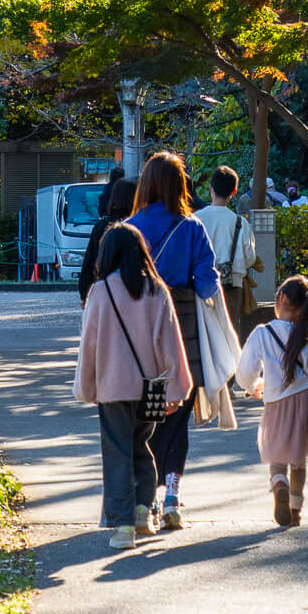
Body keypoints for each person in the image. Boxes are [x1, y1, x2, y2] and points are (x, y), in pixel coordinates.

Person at [73, 223, 191, 550]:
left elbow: (90, 347)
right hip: (151, 388)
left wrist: (85, 387)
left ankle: (122, 526)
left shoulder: (100, 292)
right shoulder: (157, 290)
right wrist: (176, 389)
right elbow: (171, 344)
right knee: (142, 446)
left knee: (117, 453)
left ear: (107, 254)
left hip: (112, 388)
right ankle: (143, 511)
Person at [129, 150, 222, 530]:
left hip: (141, 331)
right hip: (183, 329)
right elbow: (208, 282)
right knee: (176, 421)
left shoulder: (130, 228)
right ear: (180, 184)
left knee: (146, 420)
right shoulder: (192, 227)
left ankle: (143, 503)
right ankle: (171, 498)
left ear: (146, 184)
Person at [235, 275, 308, 526]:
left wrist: (253, 386)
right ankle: (295, 509)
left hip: (276, 403)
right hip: (306, 403)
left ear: (280, 298)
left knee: (277, 455)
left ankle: (279, 484)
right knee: (299, 460)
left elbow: (245, 371)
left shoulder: (262, 333)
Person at [194, 166, 257, 320]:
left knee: (205, 335)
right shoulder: (240, 222)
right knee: (231, 334)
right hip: (232, 286)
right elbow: (250, 258)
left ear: (210, 188)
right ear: (234, 192)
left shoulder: (195, 219)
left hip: (201, 286)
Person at [81, 176, 137, 304]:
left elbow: (90, 261)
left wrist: (84, 294)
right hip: (136, 290)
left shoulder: (102, 225)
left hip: (104, 291)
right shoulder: (139, 225)